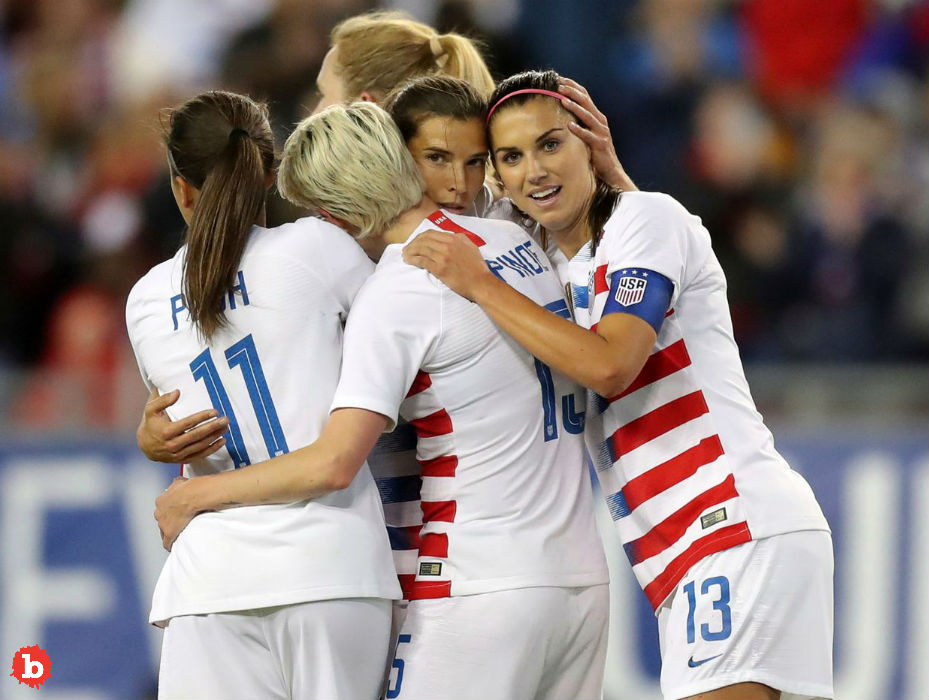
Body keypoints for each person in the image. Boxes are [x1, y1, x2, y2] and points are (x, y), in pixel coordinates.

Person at [153, 100, 610, 700]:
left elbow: (333, 462)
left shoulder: (398, 292)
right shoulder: (511, 239)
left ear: (335, 215)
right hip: (582, 581)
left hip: (477, 583)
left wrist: (196, 494)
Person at [403, 70, 834, 700]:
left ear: (590, 143)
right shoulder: (547, 259)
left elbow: (612, 365)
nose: (535, 171)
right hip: (690, 550)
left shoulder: (647, 218)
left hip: (729, 527)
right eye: (512, 157)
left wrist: (480, 284)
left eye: (551, 144)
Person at [125, 90, 400, 700]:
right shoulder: (320, 250)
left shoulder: (145, 300)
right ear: (269, 173)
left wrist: (148, 439)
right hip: (331, 567)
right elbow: (403, 346)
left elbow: (176, 416)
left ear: (180, 189)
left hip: (209, 581)